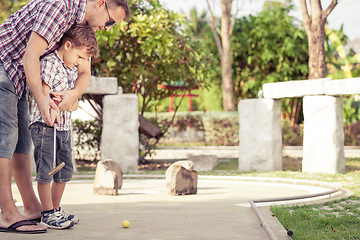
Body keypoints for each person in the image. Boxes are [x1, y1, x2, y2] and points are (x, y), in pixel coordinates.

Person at [0, 0, 130, 234]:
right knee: (5, 139)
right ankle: (8, 213)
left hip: (21, 77)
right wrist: (42, 101)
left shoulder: (84, 29)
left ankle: (32, 208)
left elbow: (84, 73)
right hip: (4, 64)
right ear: (100, 4)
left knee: (21, 144)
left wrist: (72, 95)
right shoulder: (60, 7)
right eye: (110, 21)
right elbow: (31, 56)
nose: (109, 28)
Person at [29, 23, 98, 230]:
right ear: (67, 45)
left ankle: (55, 209)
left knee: (64, 169)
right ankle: (47, 213)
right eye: (79, 57)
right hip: (46, 124)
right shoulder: (50, 63)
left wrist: (70, 102)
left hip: (64, 126)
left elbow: (74, 104)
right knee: (47, 169)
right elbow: (43, 92)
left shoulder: (71, 70)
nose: (79, 63)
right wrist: (52, 112)